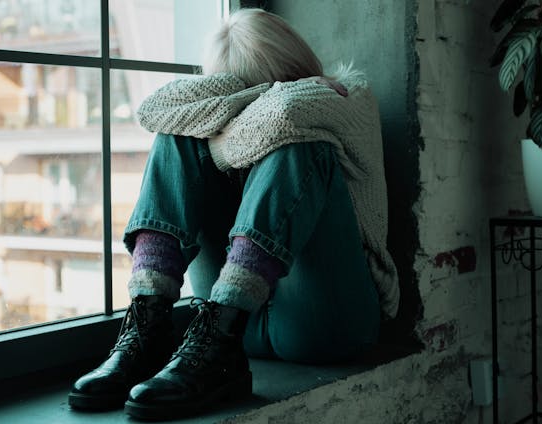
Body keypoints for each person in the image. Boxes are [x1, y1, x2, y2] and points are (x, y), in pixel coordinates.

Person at [67, 7, 398, 420]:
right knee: (178, 136)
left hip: (326, 322)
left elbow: (285, 115)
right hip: (228, 330)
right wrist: (248, 96)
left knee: (298, 145)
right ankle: (149, 330)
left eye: (260, 87)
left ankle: (217, 339)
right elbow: (156, 110)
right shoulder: (268, 104)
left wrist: (235, 103)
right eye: (233, 88)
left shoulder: (343, 96)